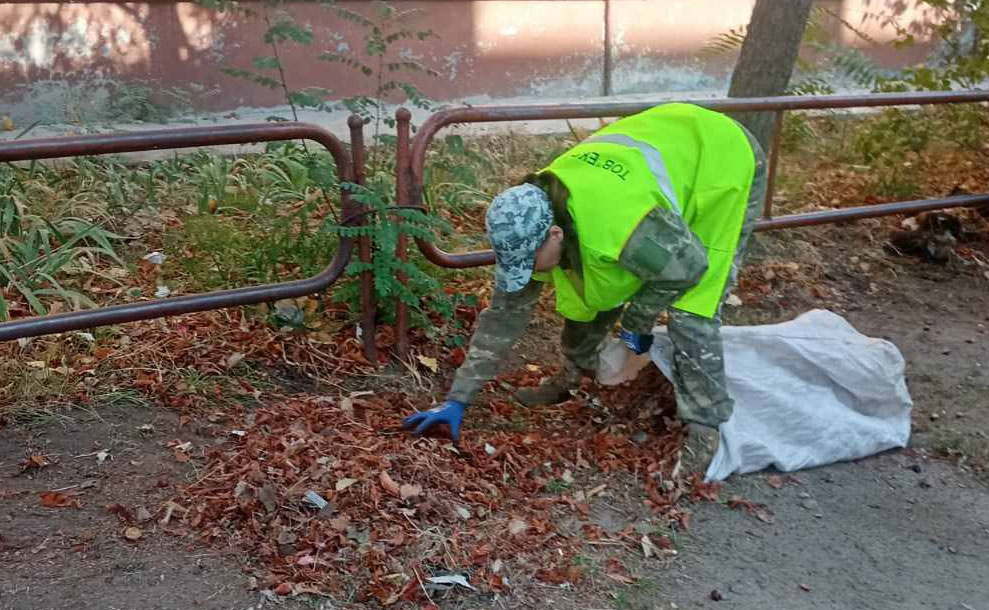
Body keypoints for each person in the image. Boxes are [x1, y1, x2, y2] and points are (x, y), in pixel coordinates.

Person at [402, 102, 767, 472]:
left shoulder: (620, 226)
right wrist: (458, 398)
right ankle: (573, 377)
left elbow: (689, 268)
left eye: (529, 263)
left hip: (720, 162)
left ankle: (704, 434)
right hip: (660, 157)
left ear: (556, 235)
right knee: (587, 288)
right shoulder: (530, 220)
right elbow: (505, 315)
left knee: (693, 310)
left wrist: (637, 321)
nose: (525, 273)